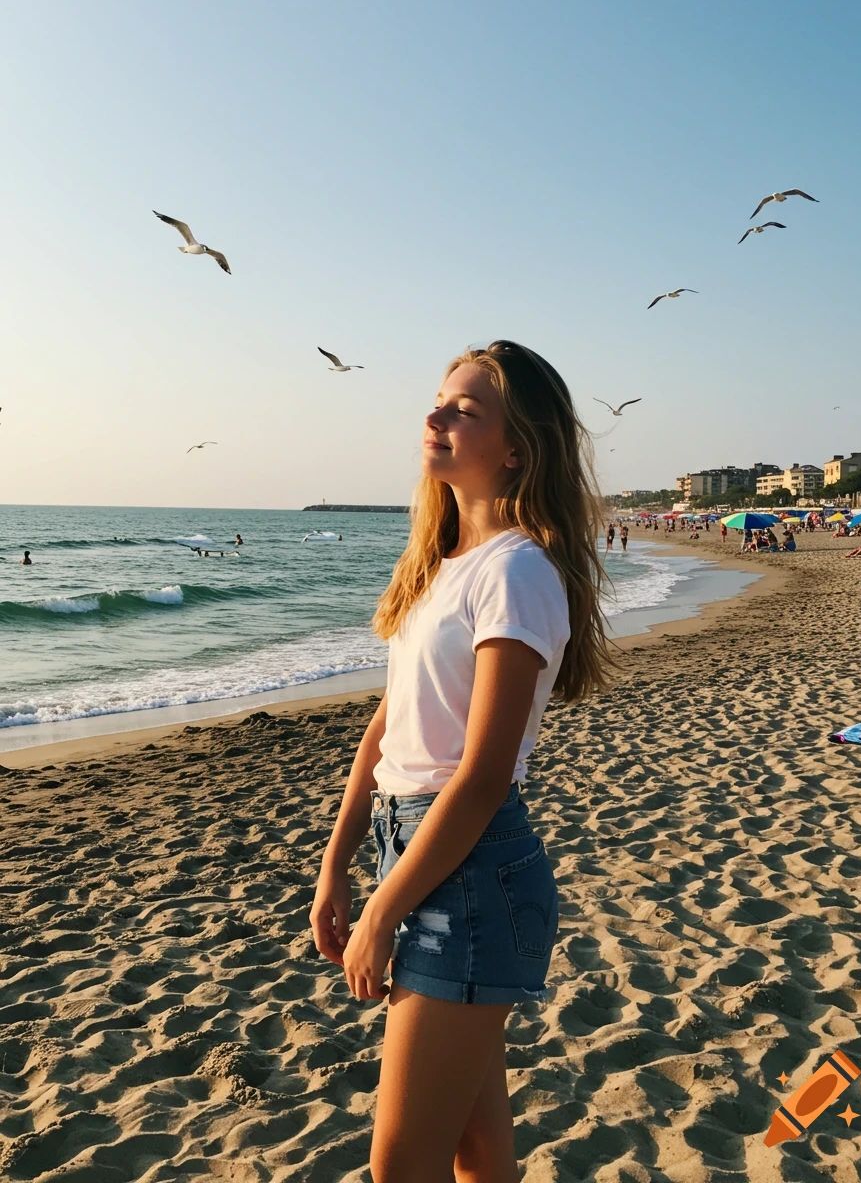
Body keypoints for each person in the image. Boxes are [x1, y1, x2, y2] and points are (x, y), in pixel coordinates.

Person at [310, 340, 609, 1180]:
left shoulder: (516, 572)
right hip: (421, 852)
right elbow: (386, 732)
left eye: (464, 409)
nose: (435, 416)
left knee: (398, 1168)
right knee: (479, 1154)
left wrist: (381, 914)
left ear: (516, 447)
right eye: (438, 400)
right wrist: (338, 867)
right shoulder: (446, 566)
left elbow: (479, 778)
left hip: (471, 873)